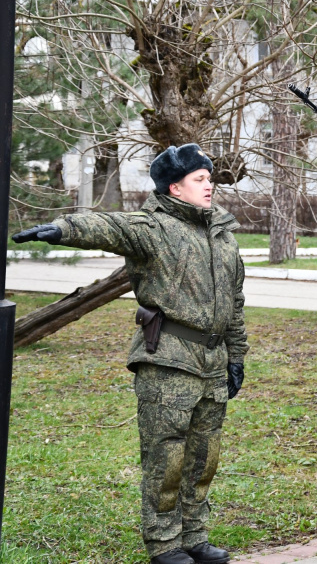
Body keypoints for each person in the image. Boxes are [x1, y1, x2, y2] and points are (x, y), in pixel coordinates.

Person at [13, 144, 248, 564]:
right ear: (175, 187)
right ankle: (164, 544)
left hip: (212, 362)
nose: (210, 184)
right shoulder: (153, 228)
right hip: (168, 358)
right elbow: (109, 227)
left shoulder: (222, 235)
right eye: (200, 178)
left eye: (209, 178)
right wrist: (60, 229)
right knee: (167, 457)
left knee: (203, 458)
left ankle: (194, 536)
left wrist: (236, 357)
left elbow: (234, 301)